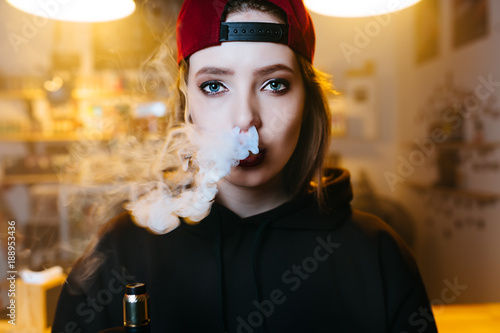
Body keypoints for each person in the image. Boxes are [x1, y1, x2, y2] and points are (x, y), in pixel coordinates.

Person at [52, 0, 438, 332]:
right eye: (214, 86)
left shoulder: (378, 255)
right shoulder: (120, 251)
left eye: (274, 84)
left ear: (308, 101)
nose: (245, 120)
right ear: (186, 105)